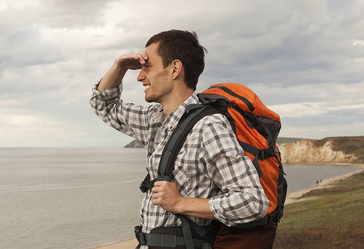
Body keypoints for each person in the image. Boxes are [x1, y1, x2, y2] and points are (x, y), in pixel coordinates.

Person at [90, 30, 271, 248]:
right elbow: (104, 105)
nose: (139, 76)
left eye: (147, 67)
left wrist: (180, 203)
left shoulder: (209, 126)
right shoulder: (154, 120)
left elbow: (253, 202)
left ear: (175, 68)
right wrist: (119, 66)